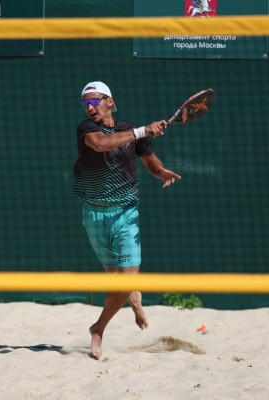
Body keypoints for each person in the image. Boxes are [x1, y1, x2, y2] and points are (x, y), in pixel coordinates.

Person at [72, 81, 182, 359]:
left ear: (109, 101)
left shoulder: (131, 130)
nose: (89, 107)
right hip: (95, 213)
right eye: (85, 102)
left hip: (126, 214)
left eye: (95, 101)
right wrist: (143, 130)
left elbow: (151, 162)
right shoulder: (86, 130)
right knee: (115, 279)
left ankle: (98, 328)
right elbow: (101, 144)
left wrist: (161, 172)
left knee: (126, 278)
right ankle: (135, 301)